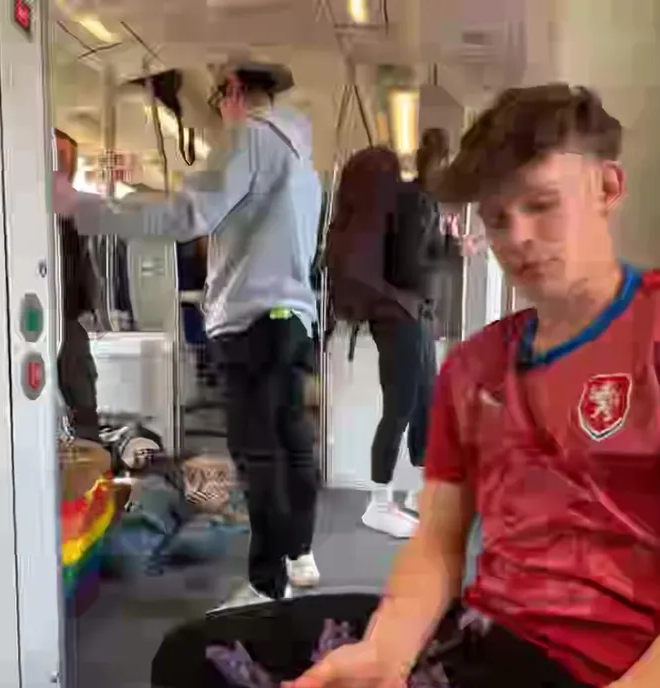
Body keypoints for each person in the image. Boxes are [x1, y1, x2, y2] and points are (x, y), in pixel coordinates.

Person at [148, 83, 660, 688]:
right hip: (485, 640)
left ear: (607, 187)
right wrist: (387, 656)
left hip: (627, 681)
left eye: (541, 205)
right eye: (498, 217)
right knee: (195, 664)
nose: (519, 239)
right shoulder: (475, 367)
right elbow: (438, 541)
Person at [53, 61, 324, 608]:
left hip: (252, 322)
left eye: (220, 99)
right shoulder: (303, 161)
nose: (221, 111)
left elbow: (186, 217)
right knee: (292, 445)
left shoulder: (250, 137)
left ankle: (266, 586)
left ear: (235, 91)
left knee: (259, 456)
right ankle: (299, 554)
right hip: (293, 319)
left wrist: (82, 208)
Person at [361, 129, 455, 539]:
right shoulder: (415, 203)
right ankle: (378, 503)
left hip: (415, 315)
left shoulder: (424, 201)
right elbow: (412, 269)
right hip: (399, 315)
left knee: (424, 403)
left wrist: (448, 244)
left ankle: (420, 491)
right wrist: (448, 247)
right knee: (400, 406)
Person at [53, 129, 102, 443]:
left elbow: (81, 262)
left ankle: (88, 455)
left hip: (70, 316)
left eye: (68, 157)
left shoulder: (72, 209)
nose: (63, 164)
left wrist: (88, 305)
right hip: (46, 312)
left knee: (81, 390)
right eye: (58, 155)